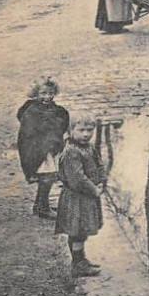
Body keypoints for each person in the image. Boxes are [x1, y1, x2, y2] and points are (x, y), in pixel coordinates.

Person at [55, 116, 106, 277]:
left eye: (90, 130)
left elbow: (100, 164)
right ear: (70, 131)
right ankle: (78, 264)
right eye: (81, 130)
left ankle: (81, 260)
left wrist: (102, 181)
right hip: (76, 198)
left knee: (81, 230)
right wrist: (93, 189)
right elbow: (77, 178)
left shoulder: (89, 147)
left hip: (87, 197)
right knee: (77, 231)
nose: (86, 134)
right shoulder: (71, 151)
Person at [16, 76, 70, 220]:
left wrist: (56, 138)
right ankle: (43, 208)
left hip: (49, 148)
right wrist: (47, 140)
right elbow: (29, 132)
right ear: (36, 93)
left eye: (51, 93)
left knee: (49, 175)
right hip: (38, 149)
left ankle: (39, 204)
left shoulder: (55, 109)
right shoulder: (32, 111)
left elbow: (61, 124)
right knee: (47, 176)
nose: (47, 97)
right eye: (43, 93)